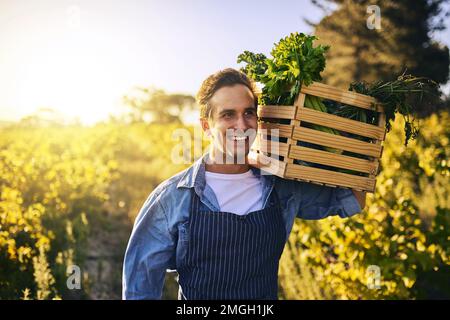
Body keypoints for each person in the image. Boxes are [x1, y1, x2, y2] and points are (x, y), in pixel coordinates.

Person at [122, 68, 366, 300]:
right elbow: (139, 287)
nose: (241, 124)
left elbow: (350, 200)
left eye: (248, 113)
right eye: (228, 114)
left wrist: (354, 144)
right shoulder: (172, 199)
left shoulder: (280, 187)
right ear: (206, 126)